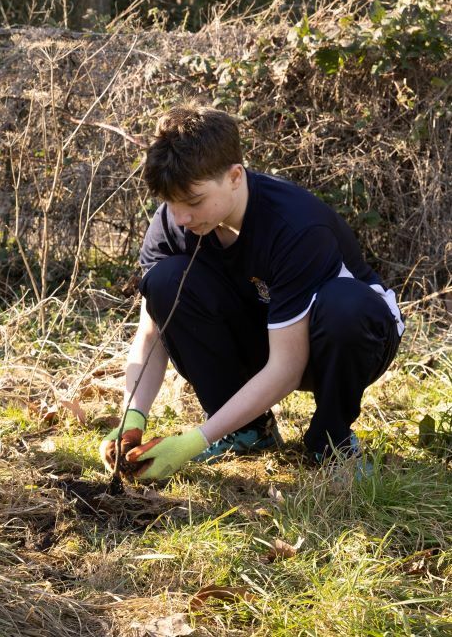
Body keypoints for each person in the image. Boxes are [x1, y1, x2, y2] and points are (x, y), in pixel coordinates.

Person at [100, 104, 404, 483]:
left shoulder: (294, 226)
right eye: (171, 204)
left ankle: (331, 441)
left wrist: (193, 441)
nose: (181, 218)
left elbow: (286, 368)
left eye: (193, 202)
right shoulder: (175, 221)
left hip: (345, 337)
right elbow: (152, 330)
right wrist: (132, 414)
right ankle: (248, 433)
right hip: (267, 330)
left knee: (345, 308)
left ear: (234, 176)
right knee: (164, 281)